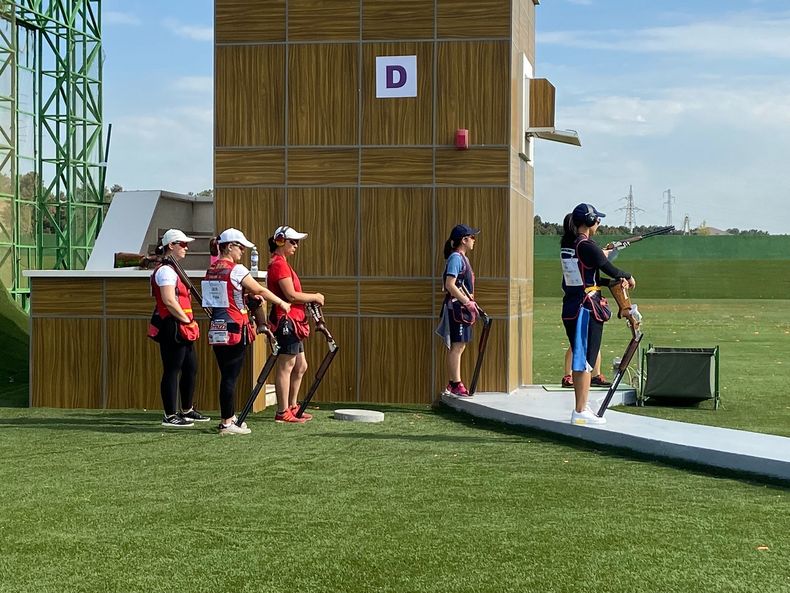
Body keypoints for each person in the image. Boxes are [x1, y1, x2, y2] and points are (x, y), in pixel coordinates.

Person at [204, 228, 291, 435]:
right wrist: (281, 302)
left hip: (217, 326)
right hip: (235, 328)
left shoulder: (212, 269)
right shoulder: (237, 270)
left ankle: (229, 417)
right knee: (230, 377)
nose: (242, 251)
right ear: (230, 246)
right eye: (240, 247)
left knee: (226, 375)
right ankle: (227, 422)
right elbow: (259, 289)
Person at [561, 204, 635, 425]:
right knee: (584, 362)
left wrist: (607, 281)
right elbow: (609, 268)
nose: (599, 224)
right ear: (590, 221)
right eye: (597, 220)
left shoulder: (569, 245)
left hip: (573, 305)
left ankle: (582, 407)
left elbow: (586, 278)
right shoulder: (586, 245)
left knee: (583, 360)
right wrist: (628, 276)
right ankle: (580, 410)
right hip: (585, 308)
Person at [149, 229, 209, 428]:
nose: (186, 247)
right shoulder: (166, 270)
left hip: (180, 324)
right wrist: (187, 320)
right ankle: (170, 414)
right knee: (172, 369)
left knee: (190, 368)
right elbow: (168, 300)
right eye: (182, 244)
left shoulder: (171, 268)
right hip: (172, 325)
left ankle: (187, 410)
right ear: (171, 246)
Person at [266, 225, 325, 423]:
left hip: (293, 320)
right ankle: (282, 411)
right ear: (281, 241)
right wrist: (315, 296)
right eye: (293, 241)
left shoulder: (282, 263)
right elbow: (290, 295)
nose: (296, 245)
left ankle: (292, 406)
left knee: (300, 365)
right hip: (286, 320)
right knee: (287, 365)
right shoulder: (279, 265)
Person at [435, 224, 480, 397]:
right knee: (457, 346)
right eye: (472, 237)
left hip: (462, 310)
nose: (474, 241)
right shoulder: (456, 258)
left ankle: (453, 381)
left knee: (460, 346)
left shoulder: (463, 258)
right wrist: (467, 302)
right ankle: (455, 383)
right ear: (464, 240)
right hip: (457, 309)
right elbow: (450, 285)